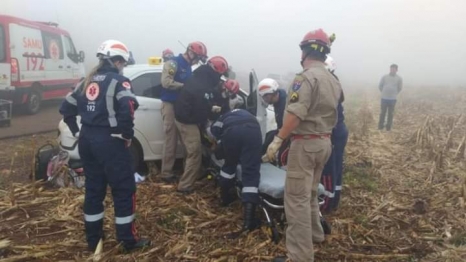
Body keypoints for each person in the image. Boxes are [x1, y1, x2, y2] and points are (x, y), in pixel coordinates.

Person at [59, 40, 150, 252]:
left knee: (93, 191)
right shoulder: (119, 81)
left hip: (87, 141)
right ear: (117, 60)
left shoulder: (85, 81)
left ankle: (94, 241)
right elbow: (127, 109)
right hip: (111, 142)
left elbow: (66, 109)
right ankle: (128, 240)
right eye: (122, 62)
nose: (123, 66)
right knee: (124, 189)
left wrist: (77, 132)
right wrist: (126, 135)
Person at [264, 29, 342, 262]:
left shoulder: (305, 78)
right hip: (324, 143)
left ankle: (299, 256)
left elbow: (295, 114)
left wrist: (278, 140)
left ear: (305, 51)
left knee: (295, 199)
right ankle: (315, 234)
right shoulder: (332, 79)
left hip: (305, 144)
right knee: (309, 193)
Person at [174, 56, 229, 194]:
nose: (220, 77)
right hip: (187, 121)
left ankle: (191, 175)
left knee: (189, 151)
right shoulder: (203, 84)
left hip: (183, 117)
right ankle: (185, 186)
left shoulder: (199, 76)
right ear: (216, 72)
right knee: (195, 153)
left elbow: (202, 99)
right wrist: (213, 111)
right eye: (220, 75)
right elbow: (202, 103)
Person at [160, 41, 208, 183]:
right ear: (191, 53)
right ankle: (166, 173)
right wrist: (185, 87)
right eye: (198, 58)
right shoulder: (173, 63)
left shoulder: (188, 67)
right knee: (171, 140)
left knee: (186, 142)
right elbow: (166, 82)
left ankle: (185, 171)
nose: (198, 61)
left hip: (182, 107)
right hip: (170, 105)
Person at [210, 109, 262, 231]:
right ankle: (249, 222)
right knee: (251, 171)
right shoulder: (247, 113)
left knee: (229, 165)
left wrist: (219, 143)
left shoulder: (222, 118)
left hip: (232, 132)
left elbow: (215, 131)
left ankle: (225, 198)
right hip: (253, 130)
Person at [320, 55, 349, 213]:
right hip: (340, 129)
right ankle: (335, 199)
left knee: (329, 168)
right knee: (337, 166)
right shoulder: (335, 84)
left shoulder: (329, 87)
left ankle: (327, 202)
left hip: (334, 131)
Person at [378, 64, 403, 131]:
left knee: (390, 113)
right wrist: (384, 92)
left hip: (393, 99)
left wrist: (394, 93)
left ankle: (388, 128)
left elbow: (400, 88)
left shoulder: (399, 78)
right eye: (391, 69)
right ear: (390, 69)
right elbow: (380, 86)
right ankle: (380, 127)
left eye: (394, 69)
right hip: (384, 98)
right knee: (382, 112)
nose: (392, 70)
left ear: (396, 70)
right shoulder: (384, 77)